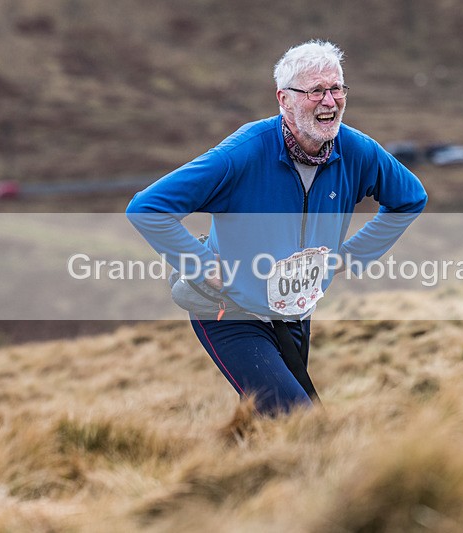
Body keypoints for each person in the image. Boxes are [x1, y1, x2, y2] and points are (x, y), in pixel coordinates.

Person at [127, 40, 427, 415]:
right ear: (284, 100)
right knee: (299, 419)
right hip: (229, 311)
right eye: (315, 91)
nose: (330, 101)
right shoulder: (242, 154)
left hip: (295, 312)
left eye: (336, 88)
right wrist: (201, 263)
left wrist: (350, 257)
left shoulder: (356, 151)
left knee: (278, 421)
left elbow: (410, 198)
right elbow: (147, 207)